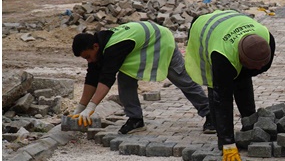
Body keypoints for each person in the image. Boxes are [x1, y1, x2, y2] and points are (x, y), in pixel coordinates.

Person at [71, 22, 213, 135]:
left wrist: (91, 107)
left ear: (95, 46)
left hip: (161, 41)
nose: (89, 61)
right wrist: (80, 109)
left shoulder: (113, 48)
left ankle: (210, 115)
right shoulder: (99, 48)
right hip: (142, 47)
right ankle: (135, 119)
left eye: (88, 57)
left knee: (181, 79)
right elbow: (92, 79)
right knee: (125, 78)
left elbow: (106, 79)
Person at [185, 10, 276, 161]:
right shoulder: (221, 57)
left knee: (241, 80)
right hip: (204, 29)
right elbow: (223, 99)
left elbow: (244, 76)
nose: (260, 68)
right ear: (240, 58)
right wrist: (228, 142)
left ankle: (249, 127)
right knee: (217, 89)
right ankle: (219, 133)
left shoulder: (267, 39)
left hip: (230, 23)